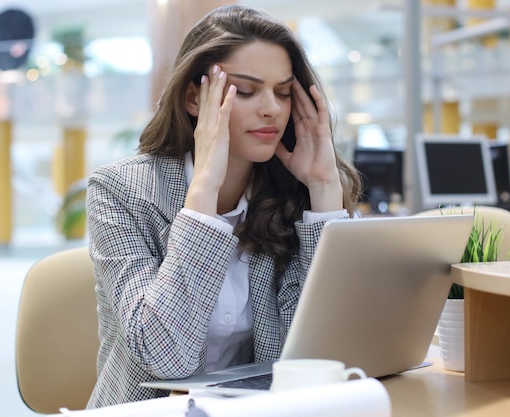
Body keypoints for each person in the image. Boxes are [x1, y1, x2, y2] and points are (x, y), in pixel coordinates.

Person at [85, 4, 362, 408]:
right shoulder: (121, 191)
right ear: (195, 98)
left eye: (284, 92)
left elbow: (322, 350)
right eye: (247, 91)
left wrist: (322, 188)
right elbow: (166, 357)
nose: (272, 108)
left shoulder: (289, 193)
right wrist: (204, 195)